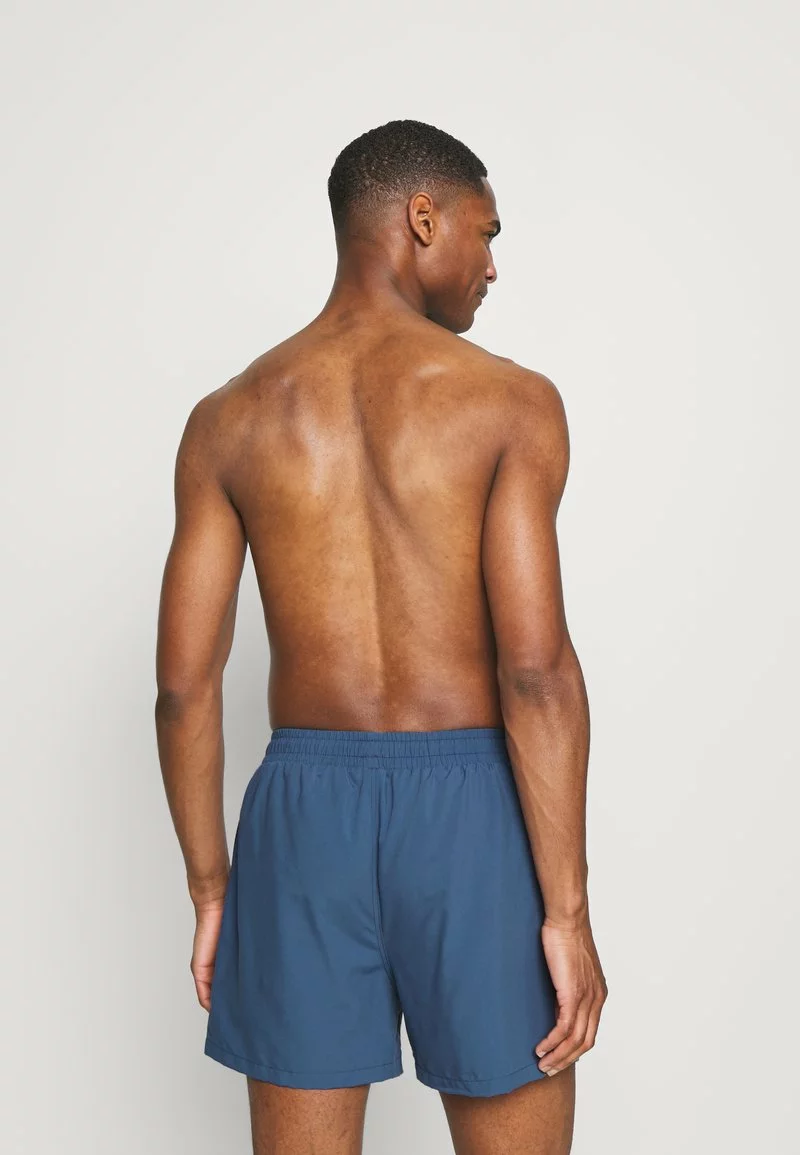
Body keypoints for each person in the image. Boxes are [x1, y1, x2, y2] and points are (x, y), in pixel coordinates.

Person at [155, 118, 608, 1155]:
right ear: (422, 218)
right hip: (469, 809)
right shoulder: (508, 403)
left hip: (300, 818)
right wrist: (567, 913)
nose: (491, 265)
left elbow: (183, 688)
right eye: (485, 233)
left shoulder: (228, 418)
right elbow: (535, 672)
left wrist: (213, 888)